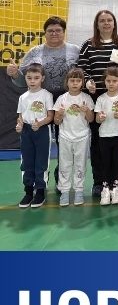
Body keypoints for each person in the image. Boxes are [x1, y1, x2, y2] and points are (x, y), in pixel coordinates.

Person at [7, 16, 80, 185]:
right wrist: (15, 73)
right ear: (44, 33)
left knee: (66, 143)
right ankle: (38, 181)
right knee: (39, 145)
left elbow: (82, 75)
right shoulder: (35, 52)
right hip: (41, 101)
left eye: (58, 30)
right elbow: (22, 80)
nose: (54, 33)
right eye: (50, 30)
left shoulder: (75, 50)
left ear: (64, 32)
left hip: (66, 101)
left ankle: (62, 178)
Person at [78, 10, 118, 196]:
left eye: (109, 20)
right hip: (97, 98)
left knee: (117, 142)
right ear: (97, 24)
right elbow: (82, 68)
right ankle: (99, 182)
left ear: (114, 23)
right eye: (102, 20)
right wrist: (88, 81)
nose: (106, 23)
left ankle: (115, 182)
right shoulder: (88, 45)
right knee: (98, 142)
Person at [53, 67, 95, 206]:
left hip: (82, 137)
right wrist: (59, 114)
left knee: (80, 164)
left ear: (82, 82)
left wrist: (87, 111)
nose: (75, 83)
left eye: (78, 80)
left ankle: (79, 190)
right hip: (65, 136)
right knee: (64, 164)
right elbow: (56, 121)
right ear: (67, 82)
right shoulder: (61, 98)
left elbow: (91, 119)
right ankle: (64, 191)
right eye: (72, 80)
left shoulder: (86, 98)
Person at [15, 64, 55, 208]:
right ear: (25, 78)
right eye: (29, 78)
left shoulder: (46, 95)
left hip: (42, 131)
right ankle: (28, 191)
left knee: (41, 161)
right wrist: (19, 125)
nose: (32, 81)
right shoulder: (22, 97)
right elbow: (20, 116)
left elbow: (50, 116)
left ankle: (40, 191)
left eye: (36, 78)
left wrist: (40, 123)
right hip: (26, 132)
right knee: (27, 161)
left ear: (42, 78)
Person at [95, 66, 118, 206]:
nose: (111, 83)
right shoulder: (101, 98)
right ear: (104, 81)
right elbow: (97, 119)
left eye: (114, 81)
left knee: (117, 162)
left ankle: (115, 188)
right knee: (105, 162)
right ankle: (105, 188)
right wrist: (100, 118)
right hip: (104, 135)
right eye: (108, 81)